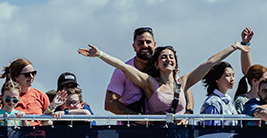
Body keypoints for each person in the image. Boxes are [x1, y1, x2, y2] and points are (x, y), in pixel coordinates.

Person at [79, 41, 250, 114]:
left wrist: (234, 47)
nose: (168, 60)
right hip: (157, 135)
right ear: (156, 64)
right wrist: (100, 54)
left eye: (171, 57)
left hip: (180, 135)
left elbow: (210, 62)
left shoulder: (183, 82)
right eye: (163, 57)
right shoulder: (149, 83)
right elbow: (122, 66)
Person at [199, 62, 238, 126]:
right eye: (228, 75)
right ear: (217, 79)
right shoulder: (213, 102)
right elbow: (211, 129)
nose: (232, 79)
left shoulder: (228, 99)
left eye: (233, 75)